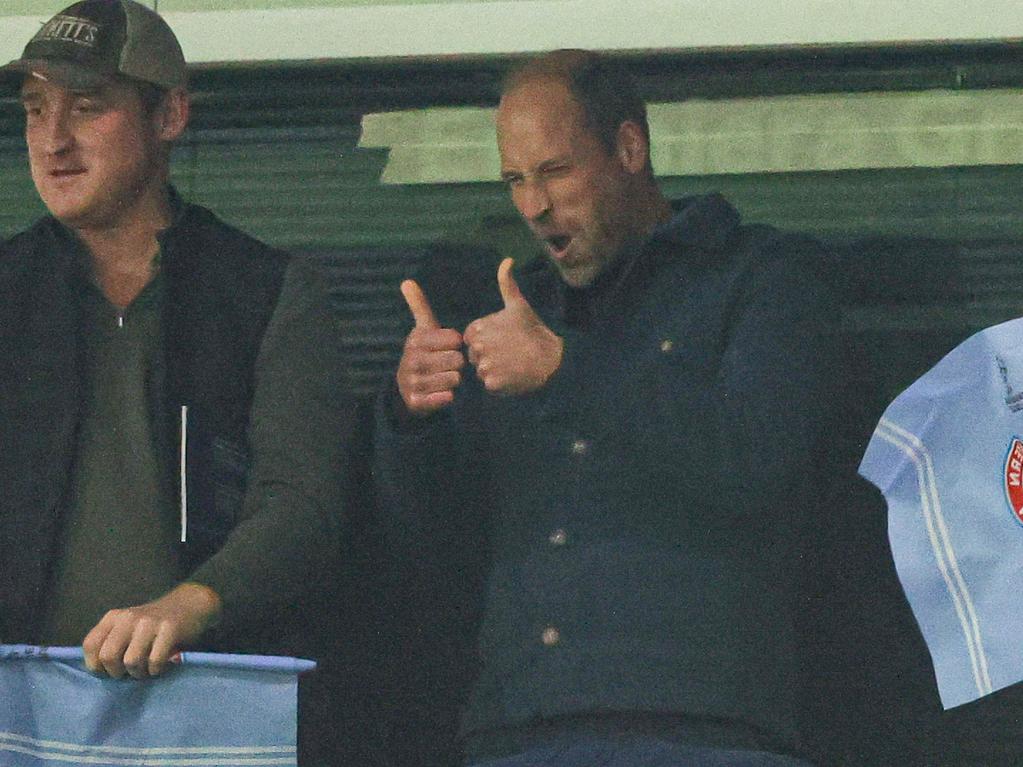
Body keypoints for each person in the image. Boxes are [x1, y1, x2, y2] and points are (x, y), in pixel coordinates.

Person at [374, 49, 846, 766]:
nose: (533, 205)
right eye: (514, 180)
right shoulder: (511, 308)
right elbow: (433, 540)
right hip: (517, 720)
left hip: (700, 724)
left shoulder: (761, 274)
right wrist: (412, 412)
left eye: (555, 171)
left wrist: (568, 368)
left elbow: (755, 458)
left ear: (629, 148)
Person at [0, 0, 349, 684]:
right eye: (36, 108)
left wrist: (190, 605)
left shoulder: (265, 290)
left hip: (212, 699)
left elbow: (304, 506)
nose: (52, 140)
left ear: (169, 117)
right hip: (22, 707)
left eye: (87, 106)